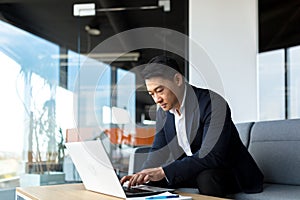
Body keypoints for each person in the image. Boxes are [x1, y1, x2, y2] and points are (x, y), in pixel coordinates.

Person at [120, 55, 264, 197]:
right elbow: (159, 150)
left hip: (229, 171)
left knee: (205, 178)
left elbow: (212, 155)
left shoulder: (213, 103)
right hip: (195, 170)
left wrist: (163, 171)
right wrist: (142, 176)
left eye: (160, 90)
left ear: (177, 80)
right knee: (151, 181)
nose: (157, 99)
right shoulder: (164, 112)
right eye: (152, 93)